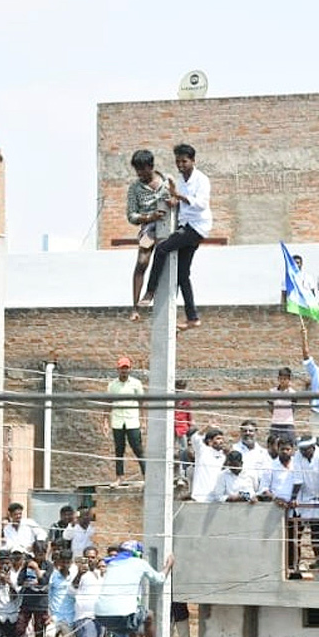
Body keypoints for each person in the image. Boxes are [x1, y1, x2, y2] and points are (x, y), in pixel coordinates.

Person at [138, 144, 212, 331]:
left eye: (184, 161)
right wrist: (173, 201)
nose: (180, 165)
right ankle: (192, 318)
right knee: (182, 275)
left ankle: (150, 291)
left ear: (193, 161)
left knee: (162, 248)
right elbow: (178, 202)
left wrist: (179, 196)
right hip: (185, 225)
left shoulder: (202, 180)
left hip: (196, 227)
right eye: (178, 161)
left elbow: (201, 205)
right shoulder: (179, 180)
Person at [94, 541, 173, 637]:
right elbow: (159, 579)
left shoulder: (113, 563)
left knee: (131, 623)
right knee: (149, 616)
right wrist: (169, 565)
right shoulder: (139, 563)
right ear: (137, 554)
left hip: (102, 616)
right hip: (123, 615)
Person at [125, 150, 168, 322]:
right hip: (149, 226)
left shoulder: (166, 181)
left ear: (151, 166)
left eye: (143, 170)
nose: (140, 175)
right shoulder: (135, 188)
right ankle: (135, 307)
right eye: (138, 172)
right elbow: (131, 215)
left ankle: (154, 293)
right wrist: (149, 217)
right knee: (142, 261)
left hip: (169, 224)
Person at [107, 356, 145, 484]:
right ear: (118, 369)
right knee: (119, 450)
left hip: (132, 421)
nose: (124, 371)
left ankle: (146, 476)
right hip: (117, 421)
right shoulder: (112, 385)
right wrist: (105, 421)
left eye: (126, 368)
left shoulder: (136, 384)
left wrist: (143, 419)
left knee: (138, 449)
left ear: (129, 369)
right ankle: (119, 477)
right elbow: (108, 403)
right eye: (122, 368)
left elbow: (142, 403)